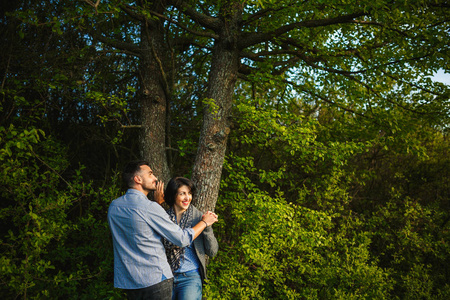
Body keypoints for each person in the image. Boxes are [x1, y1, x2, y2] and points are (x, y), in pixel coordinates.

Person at [107, 161, 218, 300]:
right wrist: (204, 223)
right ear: (138, 179)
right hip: (157, 278)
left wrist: (205, 227)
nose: (155, 178)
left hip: (132, 281)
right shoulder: (154, 210)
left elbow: (141, 231)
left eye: (189, 193)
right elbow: (181, 239)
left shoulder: (114, 207)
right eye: (150, 174)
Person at [163, 177, 219, 300]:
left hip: (190, 277)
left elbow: (212, 251)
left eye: (189, 193)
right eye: (182, 193)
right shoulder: (163, 217)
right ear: (173, 195)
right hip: (166, 277)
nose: (187, 198)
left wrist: (207, 227)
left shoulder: (199, 217)